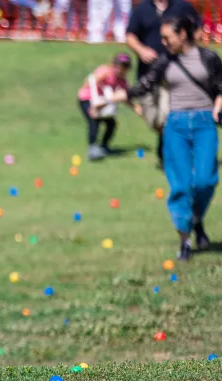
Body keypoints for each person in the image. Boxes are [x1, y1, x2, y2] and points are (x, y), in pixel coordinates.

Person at [111, 16, 222, 261]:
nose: (162, 42)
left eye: (166, 37)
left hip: (204, 123)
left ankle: (195, 220)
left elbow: (221, 87)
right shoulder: (165, 61)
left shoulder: (209, 58)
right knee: (181, 185)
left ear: (183, 34)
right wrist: (120, 95)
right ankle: (184, 240)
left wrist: (218, 105)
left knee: (206, 180)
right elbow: (145, 85)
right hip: (176, 126)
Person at [125, 0, 199, 166]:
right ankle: (168, 142)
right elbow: (130, 36)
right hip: (147, 74)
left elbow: (197, 30)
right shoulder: (142, 9)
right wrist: (141, 50)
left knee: (169, 116)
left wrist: (186, 49)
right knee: (153, 119)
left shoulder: (182, 7)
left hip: (174, 75)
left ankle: (174, 153)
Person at [78, 52, 142, 160]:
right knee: (94, 120)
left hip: (102, 103)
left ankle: (103, 147)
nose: (121, 70)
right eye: (120, 66)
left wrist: (135, 107)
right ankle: (92, 149)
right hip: (86, 98)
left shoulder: (122, 81)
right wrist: (94, 105)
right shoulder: (105, 71)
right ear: (114, 65)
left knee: (111, 124)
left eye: (125, 67)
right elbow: (91, 82)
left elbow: (124, 96)